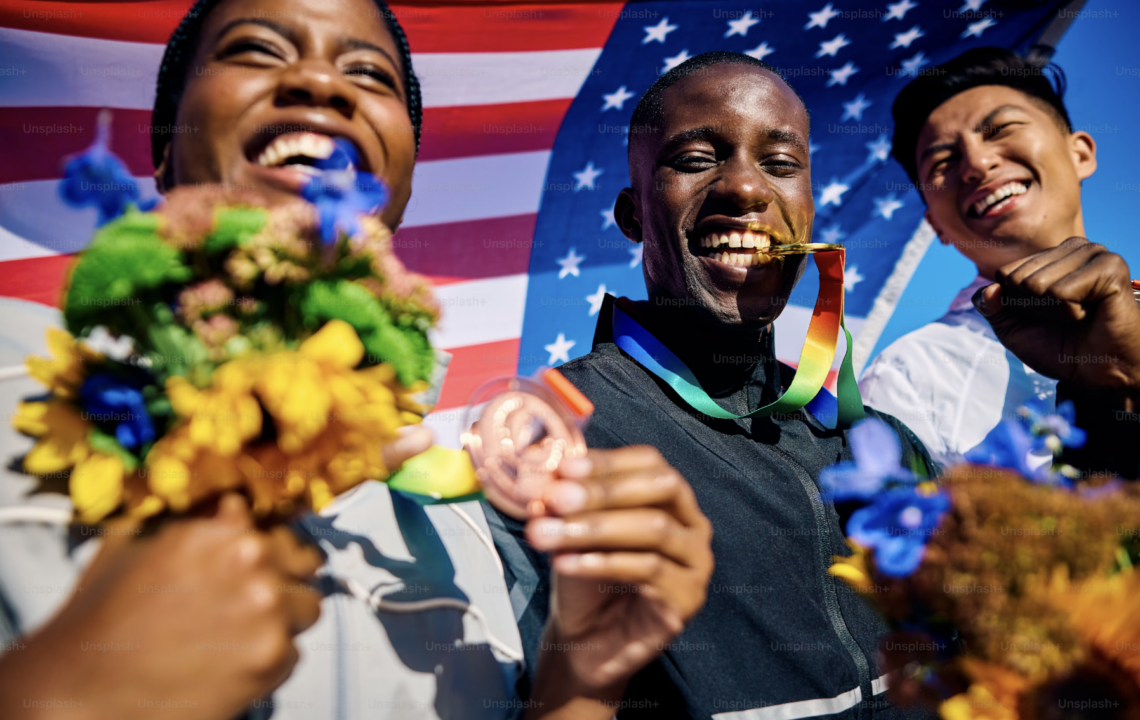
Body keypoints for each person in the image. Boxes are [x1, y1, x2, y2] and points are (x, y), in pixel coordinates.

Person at [0, 0, 713, 717]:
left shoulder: (458, 530)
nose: (322, 83)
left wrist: (583, 681)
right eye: (255, 50)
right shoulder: (15, 373)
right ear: (162, 151)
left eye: (367, 73)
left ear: (398, 186)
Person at [488, 50, 1140, 720]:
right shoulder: (554, 443)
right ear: (632, 215)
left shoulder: (878, 440)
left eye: (779, 163)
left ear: (807, 211)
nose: (745, 189)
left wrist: (1107, 392)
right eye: (694, 159)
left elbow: (1057, 624)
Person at [857, 48, 1096, 468]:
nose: (978, 164)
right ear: (938, 228)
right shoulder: (908, 377)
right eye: (943, 161)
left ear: (1080, 153)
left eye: (1001, 129)